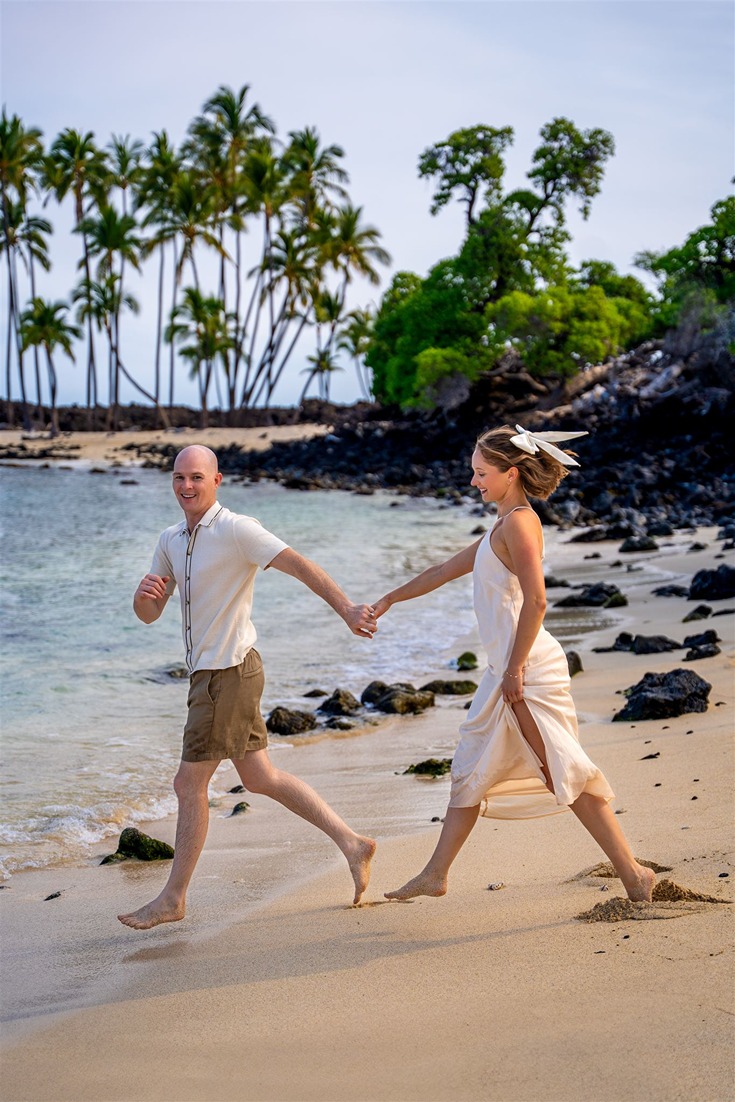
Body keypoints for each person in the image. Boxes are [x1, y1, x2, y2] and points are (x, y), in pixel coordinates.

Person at [373, 424, 656, 905]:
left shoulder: (522, 523)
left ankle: (633, 873)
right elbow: (442, 571)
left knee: (559, 770)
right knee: (469, 767)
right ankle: (435, 874)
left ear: (511, 472)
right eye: (473, 472)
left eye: (481, 473)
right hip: (504, 670)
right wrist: (386, 601)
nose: (473, 482)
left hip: (525, 670)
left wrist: (514, 670)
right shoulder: (501, 526)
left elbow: (538, 602)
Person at [118, 444, 377, 930]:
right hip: (211, 676)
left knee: (188, 783)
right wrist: (142, 599)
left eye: (197, 477)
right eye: (178, 478)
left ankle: (173, 898)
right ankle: (353, 843)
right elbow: (150, 614)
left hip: (229, 673)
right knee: (259, 778)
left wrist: (345, 609)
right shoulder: (171, 539)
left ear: (217, 481)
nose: (186, 487)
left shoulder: (237, 529)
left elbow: (297, 564)